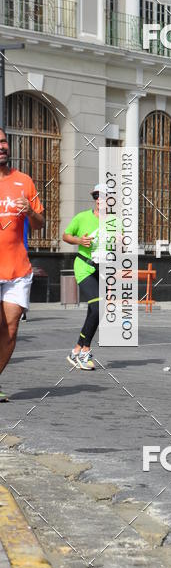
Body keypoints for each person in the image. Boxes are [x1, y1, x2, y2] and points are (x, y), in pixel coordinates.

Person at [0, 126, 45, 401]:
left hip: (17, 270)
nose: (1, 146)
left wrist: (30, 211)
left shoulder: (24, 181)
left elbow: (40, 224)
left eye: (3, 141)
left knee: (11, 329)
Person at [62, 184, 108, 371]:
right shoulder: (82, 217)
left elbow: (121, 245)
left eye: (103, 196)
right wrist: (79, 240)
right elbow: (66, 236)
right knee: (98, 306)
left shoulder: (115, 221)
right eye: (96, 196)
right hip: (84, 266)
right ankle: (84, 352)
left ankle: (76, 350)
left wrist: (121, 241)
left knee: (96, 311)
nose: (99, 199)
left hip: (103, 269)